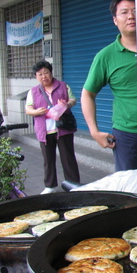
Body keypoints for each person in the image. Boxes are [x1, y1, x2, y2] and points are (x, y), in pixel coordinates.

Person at [81, 0, 137, 171]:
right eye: (124, 12)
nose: (131, 16)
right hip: (128, 137)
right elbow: (87, 94)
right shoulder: (105, 56)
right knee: (131, 191)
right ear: (115, 20)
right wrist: (94, 131)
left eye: (136, 10)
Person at [25, 60, 80, 194]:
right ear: (36, 76)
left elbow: (73, 100)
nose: (44, 76)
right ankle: (50, 186)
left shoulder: (63, 86)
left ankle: (73, 184)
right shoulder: (33, 91)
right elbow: (28, 109)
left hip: (63, 128)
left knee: (68, 158)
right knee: (48, 159)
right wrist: (37, 112)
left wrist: (66, 104)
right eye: (40, 74)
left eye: (46, 72)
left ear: (51, 72)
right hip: (45, 131)